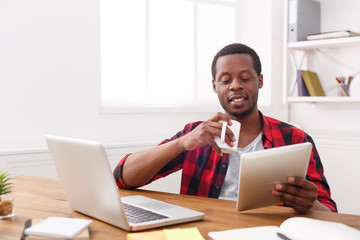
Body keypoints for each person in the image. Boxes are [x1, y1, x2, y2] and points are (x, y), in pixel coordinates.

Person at [113, 43, 337, 214]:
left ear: (259, 81)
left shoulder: (295, 138)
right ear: (214, 86)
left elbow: (330, 211)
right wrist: (182, 143)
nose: (236, 85)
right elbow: (123, 177)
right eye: (225, 80)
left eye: (245, 78)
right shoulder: (196, 134)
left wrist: (311, 204)